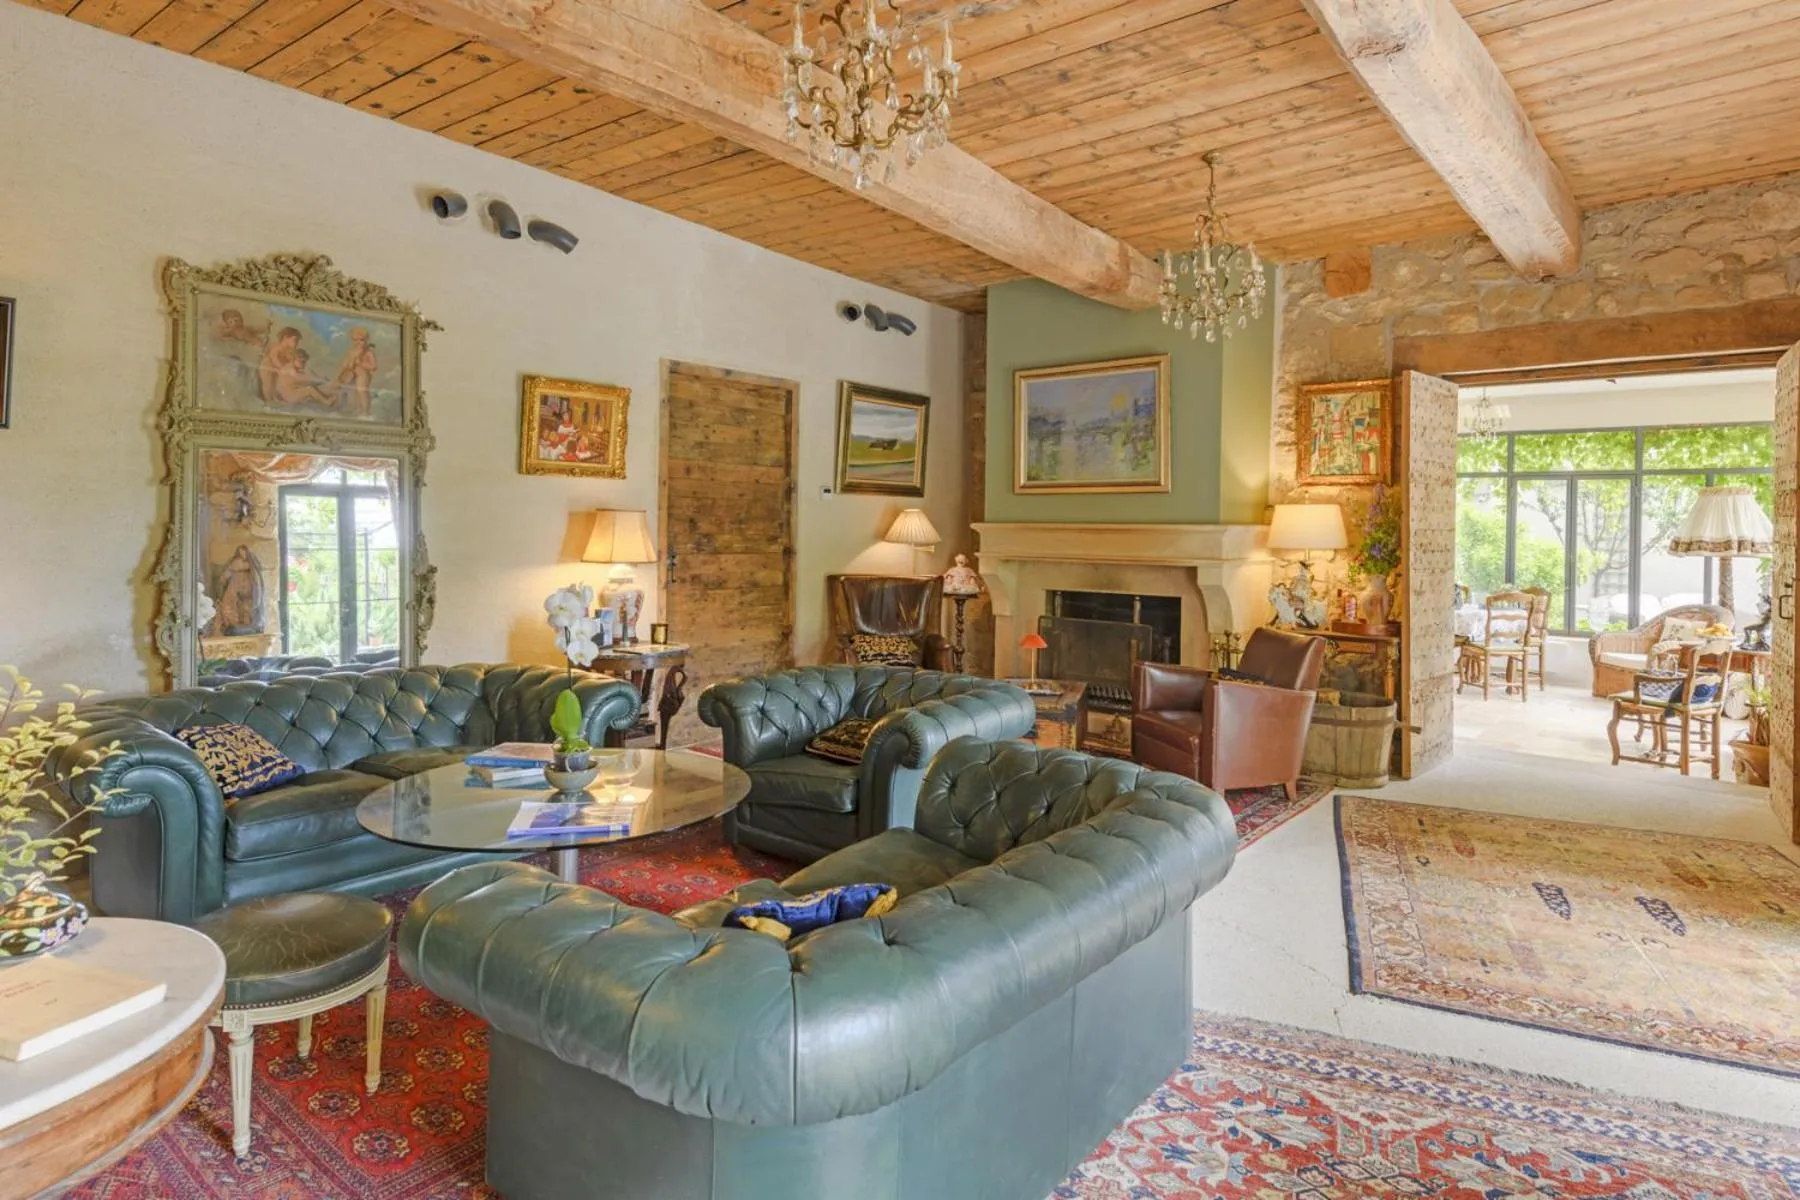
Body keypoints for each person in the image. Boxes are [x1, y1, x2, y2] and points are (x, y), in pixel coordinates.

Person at [216, 546, 266, 635]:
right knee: (230, 603)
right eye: (240, 552)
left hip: (248, 592)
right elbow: (227, 574)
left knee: (247, 608)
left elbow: (257, 579)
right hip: (235, 588)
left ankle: (247, 623)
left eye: (244, 552)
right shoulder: (235, 565)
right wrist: (223, 578)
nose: (242, 555)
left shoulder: (252, 568)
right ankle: (231, 622)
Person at [333, 326, 378, 417]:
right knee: (343, 389)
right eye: (355, 340)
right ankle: (345, 407)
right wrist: (342, 370)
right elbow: (345, 363)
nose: (358, 342)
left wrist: (361, 363)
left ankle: (365, 410)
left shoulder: (368, 352)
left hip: (363, 375)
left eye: (361, 340)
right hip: (350, 374)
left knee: (361, 391)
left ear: (366, 340)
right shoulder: (351, 352)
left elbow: (373, 366)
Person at [258, 327, 303, 406]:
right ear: (286, 337)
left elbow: (290, 361)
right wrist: (282, 368)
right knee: (268, 384)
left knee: (277, 385)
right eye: (295, 340)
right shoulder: (277, 347)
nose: (297, 343)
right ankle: (268, 400)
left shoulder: (289, 351)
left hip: (277, 370)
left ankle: (275, 398)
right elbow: (274, 358)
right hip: (267, 368)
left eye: (298, 341)